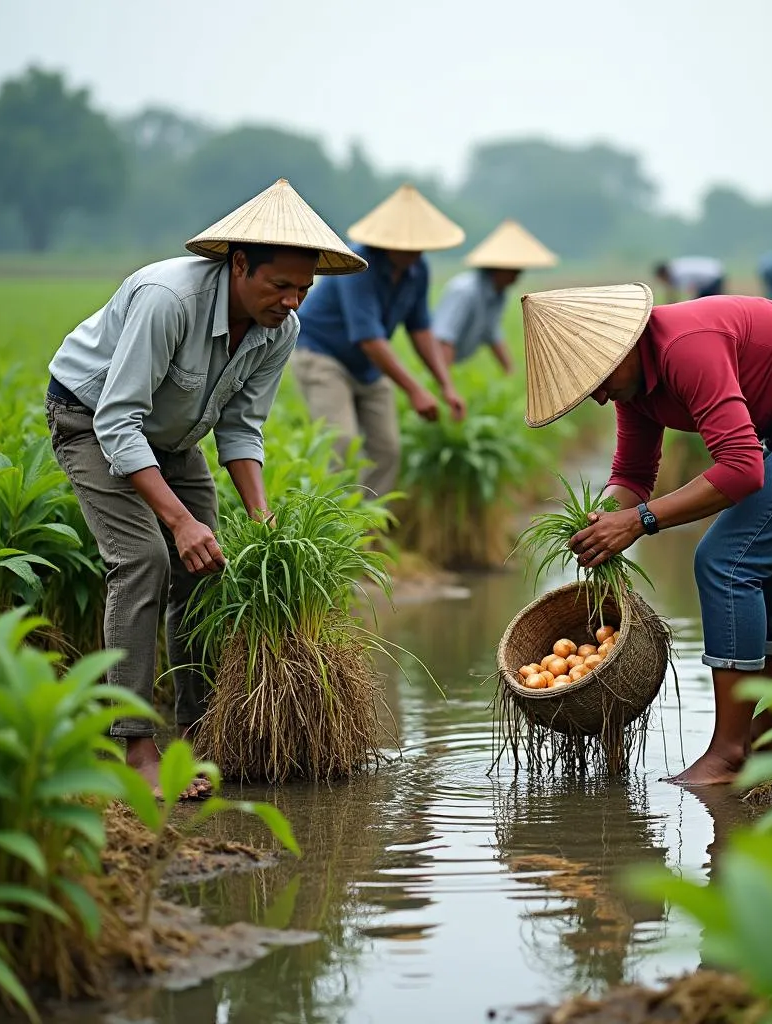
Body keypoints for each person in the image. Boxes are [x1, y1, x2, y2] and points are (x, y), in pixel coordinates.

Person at [45, 179, 364, 798]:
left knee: (208, 566)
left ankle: (192, 734)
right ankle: (137, 750)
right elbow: (118, 419)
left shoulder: (281, 329)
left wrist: (263, 519)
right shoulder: (170, 299)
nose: (293, 301)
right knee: (143, 561)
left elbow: (241, 427)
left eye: (304, 289)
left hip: (174, 436)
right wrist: (177, 521)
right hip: (90, 419)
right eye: (280, 285)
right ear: (239, 264)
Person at [520, 285, 772, 785]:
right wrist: (601, 525)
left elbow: (743, 470)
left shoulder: (686, 347)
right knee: (765, 572)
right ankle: (769, 739)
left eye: (598, 379)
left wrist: (640, 521)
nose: (598, 396)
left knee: (727, 560)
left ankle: (728, 753)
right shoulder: (633, 385)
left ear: (625, 344)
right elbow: (634, 476)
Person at [291, 184, 467, 498]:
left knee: (387, 449)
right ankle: (333, 530)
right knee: (341, 443)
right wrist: (414, 390)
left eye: (420, 246)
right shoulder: (358, 263)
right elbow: (369, 338)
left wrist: (446, 385)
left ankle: (366, 531)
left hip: (368, 367)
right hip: (323, 355)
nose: (414, 252)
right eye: (407, 245)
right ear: (386, 241)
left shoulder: (417, 268)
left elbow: (421, 328)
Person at [433, 219, 557, 372]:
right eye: (513, 271)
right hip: (434, 362)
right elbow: (444, 339)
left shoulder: (498, 294)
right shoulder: (465, 291)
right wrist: (446, 384)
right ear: (497, 268)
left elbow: (491, 333)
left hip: (452, 363)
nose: (517, 276)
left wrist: (510, 371)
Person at [652, 256, 726, 302]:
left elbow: (690, 290)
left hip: (713, 277)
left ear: (663, 274)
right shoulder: (674, 267)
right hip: (713, 270)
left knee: (707, 303)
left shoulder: (679, 274)